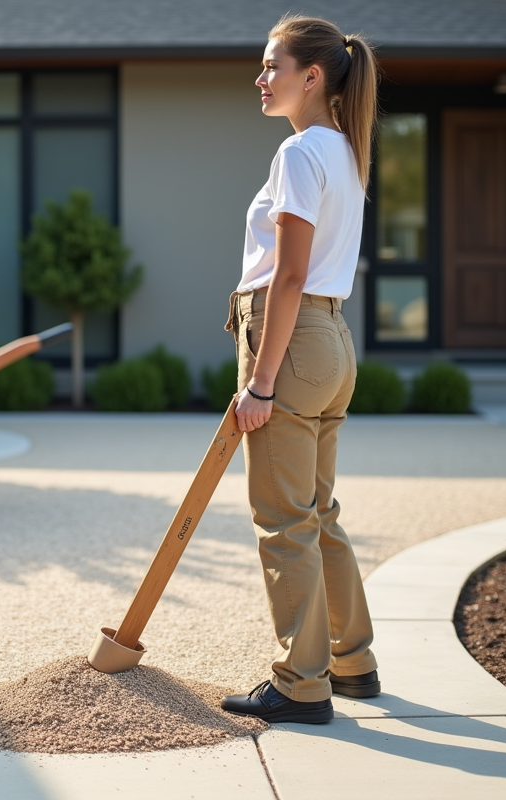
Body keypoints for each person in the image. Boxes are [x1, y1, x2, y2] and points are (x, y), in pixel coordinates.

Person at [219, 15, 381, 725]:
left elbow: (287, 278)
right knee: (317, 511)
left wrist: (259, 383)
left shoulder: (299, 153)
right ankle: (353, 662)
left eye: (271, 66)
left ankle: (302, 684)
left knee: (284, 519)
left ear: (311, 76)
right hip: (333, 339)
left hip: (290, 339)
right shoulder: (346, 150)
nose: (260, 78)